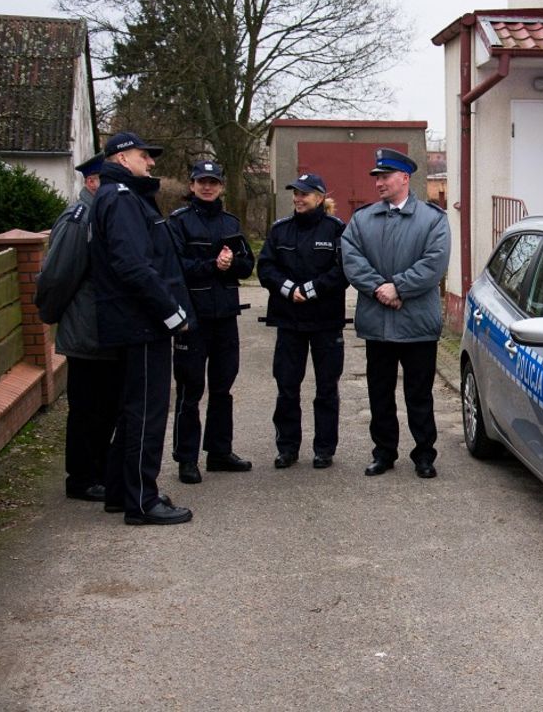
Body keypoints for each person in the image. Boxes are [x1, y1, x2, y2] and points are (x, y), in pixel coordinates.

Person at [89, 131, 195, 525]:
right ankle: (143, 501)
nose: (150, 162)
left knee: (133, 409)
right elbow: (133, 265)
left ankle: (122, 490)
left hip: (135, 322)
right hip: (142, 323)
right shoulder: (120, 199)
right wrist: (172, 314)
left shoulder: (123, 196)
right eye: (143, 155)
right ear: (121, 158)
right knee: (147, 412)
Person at [341, 149, 450, 479]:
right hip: (378, 324)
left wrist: (398, 287)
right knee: (380, 393)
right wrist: (380, 289)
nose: (378, 183)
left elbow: (434, 264)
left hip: (417, 324)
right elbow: (351, 259)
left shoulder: (433, 219)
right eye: (376, 177)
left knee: (419, 394)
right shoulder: (362, 219)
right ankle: (384, 452)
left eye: (385, 176)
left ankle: (424, 454)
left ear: (405, 178)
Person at [34, 152, 121, 504]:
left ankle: (98, 470)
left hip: (102, 331)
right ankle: (82, 478)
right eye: (109, 180)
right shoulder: (79, 219)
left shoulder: (99, 216)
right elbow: (57, 276)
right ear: (92, 182)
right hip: (86, 332)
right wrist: (53, 315)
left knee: (105, 407)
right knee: (87, 408)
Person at [168, 161, 256, 484]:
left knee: (223, 386)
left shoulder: (230, 223)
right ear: (191, 185)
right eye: (201, 181)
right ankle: (186, 458)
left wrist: (232, 263)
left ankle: (219, 452)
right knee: (190, 389)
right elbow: (175, 267)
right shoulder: (177, 223)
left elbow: (248, 265)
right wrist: (213, 265)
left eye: (213, 182)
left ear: (221, 186)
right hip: (193, 319)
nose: (207, 187)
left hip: (225, 318)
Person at [256, 173, 348, 470]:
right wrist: (288, 289)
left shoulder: (336, 230)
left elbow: (344, 271)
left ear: (320, 198)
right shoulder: (280, 230)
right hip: (289, 322)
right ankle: (287, 448)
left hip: (325, 322)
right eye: (295, 193)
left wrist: (309, 290)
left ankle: (324, 449)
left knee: (326, 389)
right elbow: (266, 267)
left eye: (304, 194)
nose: (298, 198)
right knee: (286, 387)